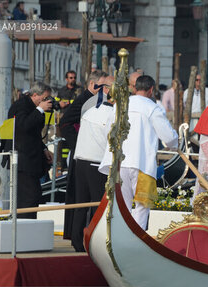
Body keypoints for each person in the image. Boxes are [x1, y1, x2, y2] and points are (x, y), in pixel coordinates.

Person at [99, 75, 178, 229]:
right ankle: (136, 238)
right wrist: (175, 144)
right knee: (142, 206)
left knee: (122, 205)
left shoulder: (119, 105)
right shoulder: (153, 107)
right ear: (151, 90)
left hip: (118, 163)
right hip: (141, 163)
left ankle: (120, 237)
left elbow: (107, 131)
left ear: (134, 88)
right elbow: (168, 137)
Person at [60, 70, 107, 239]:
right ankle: (77, 236)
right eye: (104, 86)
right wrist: (79, 143)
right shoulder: (85, 100)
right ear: (94, 85)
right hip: (82, 154)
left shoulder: (100, 101)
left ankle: (83, 237)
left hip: (90, 154)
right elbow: (64, 123)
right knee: (80, 199)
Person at [71, 75, 114, 252]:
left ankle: (76, 241)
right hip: (96, 163)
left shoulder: (90, 111)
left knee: (80, 204)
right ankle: (94, 242)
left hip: (80, 161)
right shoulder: (112, 115)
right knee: (98, 204)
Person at [7, 82, 53, 219]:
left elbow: (34, 133)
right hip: (21, 160)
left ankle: (29, 226)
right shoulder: (20, 106)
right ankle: (23, 227)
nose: (47, 101)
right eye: (45, 98)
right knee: (29, 196)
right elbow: (23, 126)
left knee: (34, 195)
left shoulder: (32, 106)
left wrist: (44, 148)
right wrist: (39, 110)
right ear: (35, 95)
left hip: (31, 159)